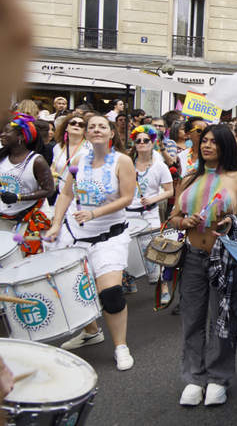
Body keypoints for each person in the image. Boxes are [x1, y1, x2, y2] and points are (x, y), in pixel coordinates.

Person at [166, 124, 237, 406]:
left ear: (225, 146)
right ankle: (194, 376)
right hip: (192, 257)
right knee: (192, 320)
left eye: (214, 142)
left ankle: (218, 377)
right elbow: (174, 216)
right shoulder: (190, 178)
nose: (207, 146)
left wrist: (232, 222)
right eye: (204, 141)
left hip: (225, 259)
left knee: (223, 319)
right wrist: (184, 221)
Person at [43, 113, 136, 371]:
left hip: (110, 237)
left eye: (101, 126)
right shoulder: (78, 160)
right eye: (91, 126)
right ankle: (91, 331)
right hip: (77, 235)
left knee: (111, 293)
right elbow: (66, 193)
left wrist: (95, 213)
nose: (95, 129)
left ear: (111, 133)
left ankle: (120, 346)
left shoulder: (122, 160)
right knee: (76, 290)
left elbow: (127, 198)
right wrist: (55, 224)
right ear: (86, 133)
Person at [127, 125, 173, 297]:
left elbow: (170, 191)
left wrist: (153, 199)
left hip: (150, 212)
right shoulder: (127, 164)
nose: (141, 143)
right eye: (138, 140)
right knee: (127, 249)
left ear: (152, 143)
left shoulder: (160, 166)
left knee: (154, 250)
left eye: (145, 140)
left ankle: (163, 287)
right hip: (128, 212)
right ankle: (128, 279)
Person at [0, 113, 55, 256]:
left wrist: (18, 197)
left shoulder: (36, 161)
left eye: (7, 132)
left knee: (27, 259)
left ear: (21, 137)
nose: (2, 134)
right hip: (3, 218)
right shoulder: (2, 157)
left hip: (29, 220)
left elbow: (49, 190)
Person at [49, 115, 91, 206]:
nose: (76, 125)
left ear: (85, 130)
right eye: (73, 123)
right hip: (62, 195)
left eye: (81, 125)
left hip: (83, 198)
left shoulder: (90, 148)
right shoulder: (58, 147)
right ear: (66, 128)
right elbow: (53, 168)